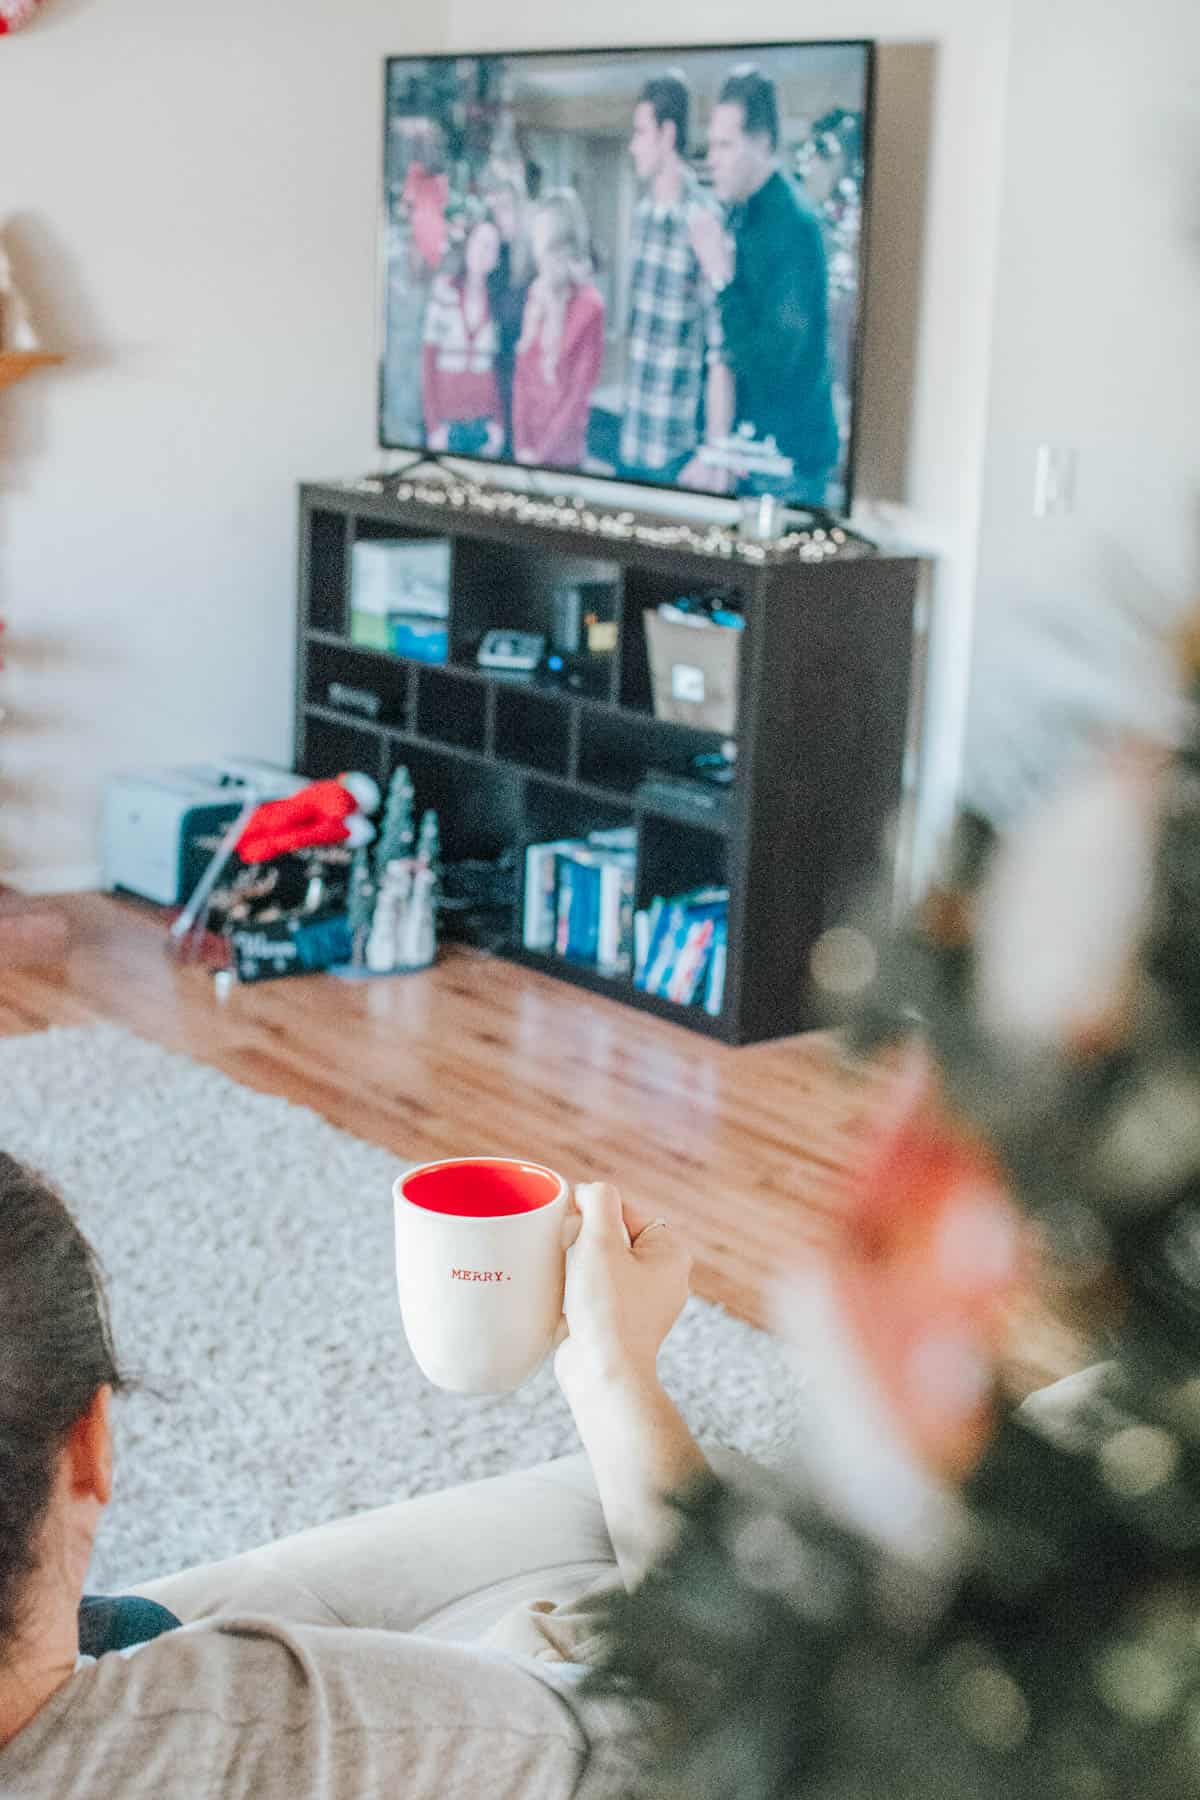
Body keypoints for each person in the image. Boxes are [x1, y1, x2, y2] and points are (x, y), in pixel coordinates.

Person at [0, 1151, 716, 1796]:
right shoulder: (301, 1731)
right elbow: (742, 1719)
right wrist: (613, 1365)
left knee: (135, 1621)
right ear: (88, 1447)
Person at [689, 64, 839, 506]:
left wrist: (720, 274)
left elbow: (775, 364)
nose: (711, 157)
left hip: (787, 465)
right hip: (748, 451)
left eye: (724, 144)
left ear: (762, 144)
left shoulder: (792, 226)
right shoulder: (741, 212)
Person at [619, 73, 734, 493]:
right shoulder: (643, 214)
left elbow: (724, 347)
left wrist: (714, 453)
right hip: (629, 444)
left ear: (667, 135)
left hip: (676, 457)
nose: (633, 145)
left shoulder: (704, 220)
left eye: (640, 132)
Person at [512, 189, 606, 471]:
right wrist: (521, 446)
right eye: (537, 240)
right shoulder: (534, 296)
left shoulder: (590, 307)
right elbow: (522, 379)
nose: (540, 253)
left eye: (548, 243)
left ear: (565, 246)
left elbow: (577, 396)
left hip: (563, 455)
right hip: (525, 452)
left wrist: (540, 455)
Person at [420, 209, 506, 459]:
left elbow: (498, 370)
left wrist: (498, 423)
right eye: (480, 243)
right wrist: (434, 425)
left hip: (483, 423)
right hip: (447, 425)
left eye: (492, 248)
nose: (484, 253)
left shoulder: (497, 305)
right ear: (468, 244)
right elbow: (428, 362)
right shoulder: (443, 292)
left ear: (497, 259)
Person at [484, 174, 535, 458]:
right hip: (498, 365)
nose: (499, 217)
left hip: (523, 370)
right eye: (495, 210)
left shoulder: (533, 260)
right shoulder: (495, 254)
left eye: (504, 208)